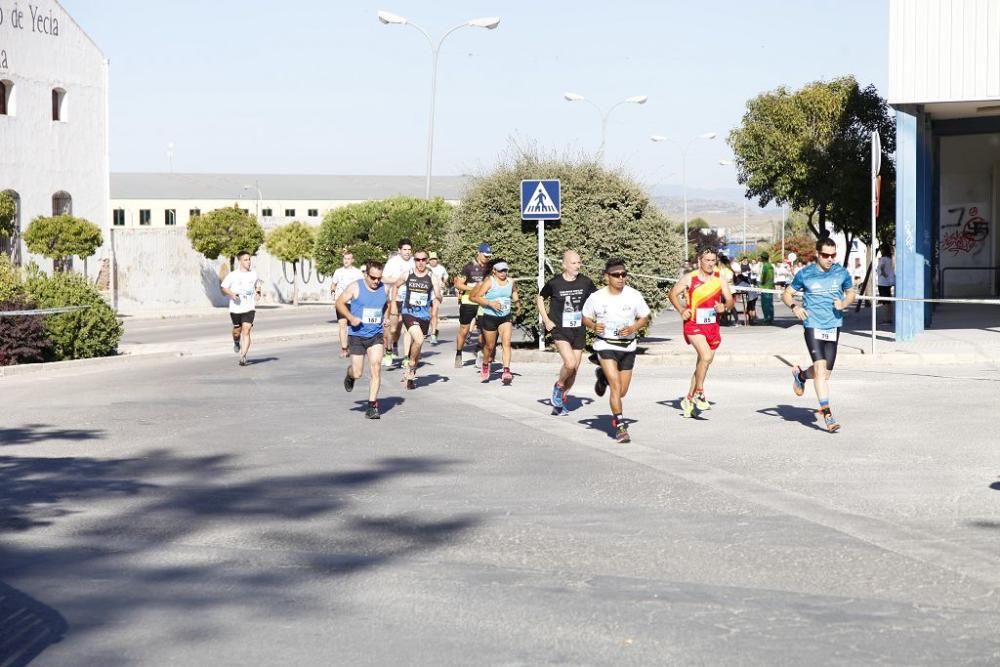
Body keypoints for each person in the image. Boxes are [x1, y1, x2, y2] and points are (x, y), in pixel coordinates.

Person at [782, 237, 856, 433]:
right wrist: (794, 306)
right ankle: (827, 414)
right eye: (825, 255)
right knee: (821, 370)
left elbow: (850, 293)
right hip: (812, 325)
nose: (830, 259)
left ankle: (801, 375)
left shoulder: (841, 272)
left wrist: (844, 304)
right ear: (817, 254)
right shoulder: (805, 274)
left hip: (833, 325)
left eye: (833, 255)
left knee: (825, 374)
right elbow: (786, 294)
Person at [582, 257, 651, 444]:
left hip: (628, 346)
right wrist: (593, 325)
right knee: (615, 386)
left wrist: (633, 328)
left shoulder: (633, 295)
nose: (621, 278)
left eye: (623, 275)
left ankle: (602, 376)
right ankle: (620, 427)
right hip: (605, 345)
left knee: (622, 391)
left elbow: (644, 316)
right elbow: (585, 317)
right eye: (616, 275)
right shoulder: (596, 297)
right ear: (606, 277)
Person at [668, 247, 734, 418]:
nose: (711, 264)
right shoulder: (690, 278)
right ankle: (700, 393)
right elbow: (672, 294)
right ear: (700, 261)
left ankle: (689, 398)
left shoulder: (720, 279)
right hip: (693, 325)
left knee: (703, 364)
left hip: (712, 326)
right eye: (707, 260)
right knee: (705, 356)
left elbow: (729, 300)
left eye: (713, 260)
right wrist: (682, 309)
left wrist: (724, 307)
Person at [537, 250, 597, 416]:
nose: (577, 265)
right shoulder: (555, 283)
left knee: (574, 369)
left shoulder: (585, 282)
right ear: (564, 265)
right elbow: (540, 298)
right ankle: (558, 387)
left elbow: (597, 299)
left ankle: (561, 398)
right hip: (560, 329)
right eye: (573, 263)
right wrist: (546, 320)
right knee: (569, 363)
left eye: (579, 262)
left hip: (578, 329)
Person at [336, 261, 389, 420]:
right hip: (357, 335)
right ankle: (350, 374)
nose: (376, 281)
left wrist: (385, 318)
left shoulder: (384, 288)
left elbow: (386, 305)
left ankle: (372, 406)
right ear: (366, 274)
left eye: (379, 278)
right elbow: (339, 303)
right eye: (373, 277)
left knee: (376, 367)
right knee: (358, 372)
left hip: (376, 334)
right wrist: (351, 317)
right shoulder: (355, 287)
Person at [393, 249, 442, 390]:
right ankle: (411, 365)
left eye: (423, 259)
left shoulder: (432, 277)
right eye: (417, 259)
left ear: (427, 261)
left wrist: (438, 297)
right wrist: (394, 307)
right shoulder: (408, 274)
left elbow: (439, 295)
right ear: (414, 260)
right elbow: (395, 285)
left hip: (424, 315)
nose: (420, 262)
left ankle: (411, 367)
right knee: (419, 339)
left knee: (418, 346)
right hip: (409, 312)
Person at [471, 259, 519, 384]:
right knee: (489, 346)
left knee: (506, 343)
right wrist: (490, 303)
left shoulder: (510, 281)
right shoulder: (489, 282)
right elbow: (476, 297)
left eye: (505, 270)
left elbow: (514, 291)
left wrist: (517, 303)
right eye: (501, 271)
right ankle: (486, 365)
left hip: (505, 317)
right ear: (494, 271)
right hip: (490, 317)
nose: (504, 273)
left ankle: (506, 371)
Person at [454, 243, 492, 368]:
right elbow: (458, 284)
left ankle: (479, 352)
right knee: (464, 330)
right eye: (485, 256)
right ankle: (459, 353)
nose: (487, 258)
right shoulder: (468, 267)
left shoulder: (489, 268)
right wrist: (472, 288)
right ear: (479, 253)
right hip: (468, 301)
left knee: (484, 330)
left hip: (482, 301)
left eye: (489, 256)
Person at [220, 251, 261, 367]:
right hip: (236, 308)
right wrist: (232, 294)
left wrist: (258, 293)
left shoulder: (253, 274)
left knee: (247, 330)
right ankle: (236, 342)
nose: (248, 262)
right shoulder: (233, 275)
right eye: (246, 260)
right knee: (237, 332)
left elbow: (257, 285)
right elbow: (223, 287)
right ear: (240, 261)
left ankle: (243, 356)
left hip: (249, 307)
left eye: (249, 259)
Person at [381, 238, 415, 368]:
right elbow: (383, 278)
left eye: (409, 250)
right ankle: (388, 352)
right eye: (404, 250)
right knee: (393, 328)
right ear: (399, 250)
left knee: (407, 330)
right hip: (394, 299)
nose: (407, 252)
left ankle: (406, 357)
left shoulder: (414, 262)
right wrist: (399, 280)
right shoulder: (392, 262)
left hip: (410, 300)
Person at [331, 251, 364, 357]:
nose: (346, 261)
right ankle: (344, 349)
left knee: (353, 326)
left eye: (349, 259)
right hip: (341, 302)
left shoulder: (357, 272)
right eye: (345, 258)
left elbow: (361, 286)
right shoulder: (338, 272)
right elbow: (333, 284)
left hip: (353, 302)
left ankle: (354, 347)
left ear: (352, 260)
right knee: (342, 325)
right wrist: (333, 295)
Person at [427, 251, 449, 345]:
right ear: (429, 260)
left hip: (437, 293)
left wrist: (444, 283)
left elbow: (446, 276)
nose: (433, 261)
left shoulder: (441, 268)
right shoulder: (426, 268)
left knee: (434, 313)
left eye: (434, 259)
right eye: (431, 259)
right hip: (426, 293)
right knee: (429, 315)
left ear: (437, 260)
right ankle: (431, 329)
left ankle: (433, 334)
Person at [877, 244, 895, 325]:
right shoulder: (890, 259)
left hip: (882, 282)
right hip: (888, 283)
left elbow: (880, 268)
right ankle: (889, 318)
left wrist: (884, 274)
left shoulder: (883, 259)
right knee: (888, 302)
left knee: (885, 302)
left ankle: (886, 320)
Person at [758, 252, 775, 324]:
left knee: (765, 304)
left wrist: (760, 283)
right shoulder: (771, 265)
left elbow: (764, 276)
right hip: (770, 287)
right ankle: (770, 318)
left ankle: (767, 320)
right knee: (770, 304)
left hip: (765, 287)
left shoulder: (765, 266)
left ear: (763, 258)